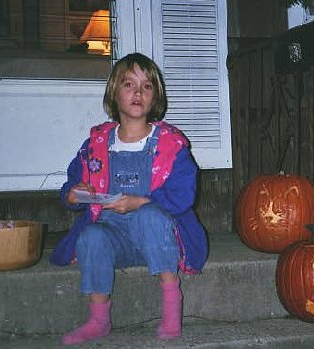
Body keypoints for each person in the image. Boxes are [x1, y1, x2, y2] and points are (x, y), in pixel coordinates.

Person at [50, 52, 208, 345]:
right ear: (114, 93)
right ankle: (98, 320)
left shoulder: (171, 144)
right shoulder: (96, 145)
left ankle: (172, 308)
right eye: (129, 84)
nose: (138, 92)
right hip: (115, 239)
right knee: (92, 236)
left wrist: (140, 202)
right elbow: (72, 184)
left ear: (155, 97)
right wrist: (73, 194)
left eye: (147, 86)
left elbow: (184, 193)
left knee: (149, 215)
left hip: (161, 237)